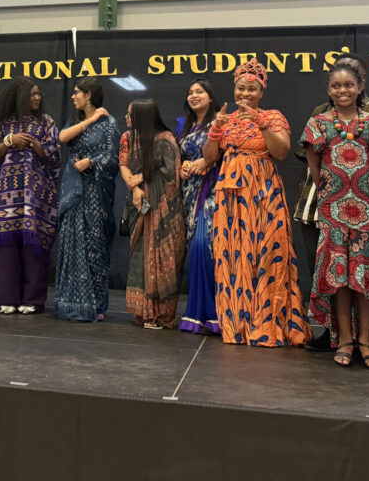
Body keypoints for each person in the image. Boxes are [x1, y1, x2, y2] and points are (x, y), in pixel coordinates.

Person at [292, 52, 369, 351]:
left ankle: (367, 340)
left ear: (360, 84)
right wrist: (329, 189)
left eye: (349, 83)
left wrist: (368, 192)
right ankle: (341, 337)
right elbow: (313, 164)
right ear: (329, 88)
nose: (342, 90)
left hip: (366, 208)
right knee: (335, 273)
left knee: (365, 273)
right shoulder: (319, 120)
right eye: (336, 85)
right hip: (330, 208)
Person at [204, 60, 309, 346]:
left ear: (261, 92)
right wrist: (215, 130)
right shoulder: (226, 118)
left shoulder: (273, 116)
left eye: (252, 89)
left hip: (262, 194)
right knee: (234, 257)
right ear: (234, 89)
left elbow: (283, 151)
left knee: (265, 254)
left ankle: (267, 323)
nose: (246, 94)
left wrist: (262, 124)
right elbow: (211, 156)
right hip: (230, 197)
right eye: (241, 88)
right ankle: (237, 324)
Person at [0, 78, 61, 314]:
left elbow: (55, 156)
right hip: (6, 195)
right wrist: (10, 141)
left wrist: (37, 146)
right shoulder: (3, 124)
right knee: (6, 247)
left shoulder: (46, 122)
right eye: (32, 95)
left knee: (33, 246)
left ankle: (33, 300)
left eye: (39, 94)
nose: (37, 98)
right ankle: (6, 298)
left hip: (36, 196)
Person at [54, 78, 119, 322]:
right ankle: (70, 301)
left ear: (89, 95)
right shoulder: (79, 121)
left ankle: (96, 304)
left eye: (77, 93)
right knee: (72, 242)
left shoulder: (110, 123)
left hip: (96, 192)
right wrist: (90, 120)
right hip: (74, 191)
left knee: (94, 246)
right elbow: (62, 138)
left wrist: (90, 162)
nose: (73, 97)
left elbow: (112, 159)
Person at [119, 99, 185, 329]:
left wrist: (143, 180)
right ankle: (142, 312)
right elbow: (124, 164)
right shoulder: (128, 138)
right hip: (138, 206)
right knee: (139, 256)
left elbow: (171, 176)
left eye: (130, 114)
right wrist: (135, 187)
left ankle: (160, 315)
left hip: (162, 211)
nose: (126, 118)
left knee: (161, 259)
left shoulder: (165, 141)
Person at [175, 78, 221, 334]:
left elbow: (222, 154)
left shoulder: (218, 123)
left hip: (213, 190)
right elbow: (180, 157)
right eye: (190, 92)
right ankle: (197, 314)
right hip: (189, 193)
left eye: (199, 91)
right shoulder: (185, 127)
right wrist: (183, 166)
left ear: (210, 96)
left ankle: (214, 313)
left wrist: (203, 163)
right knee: (194, 250)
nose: (194, 96)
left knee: (207, 247)